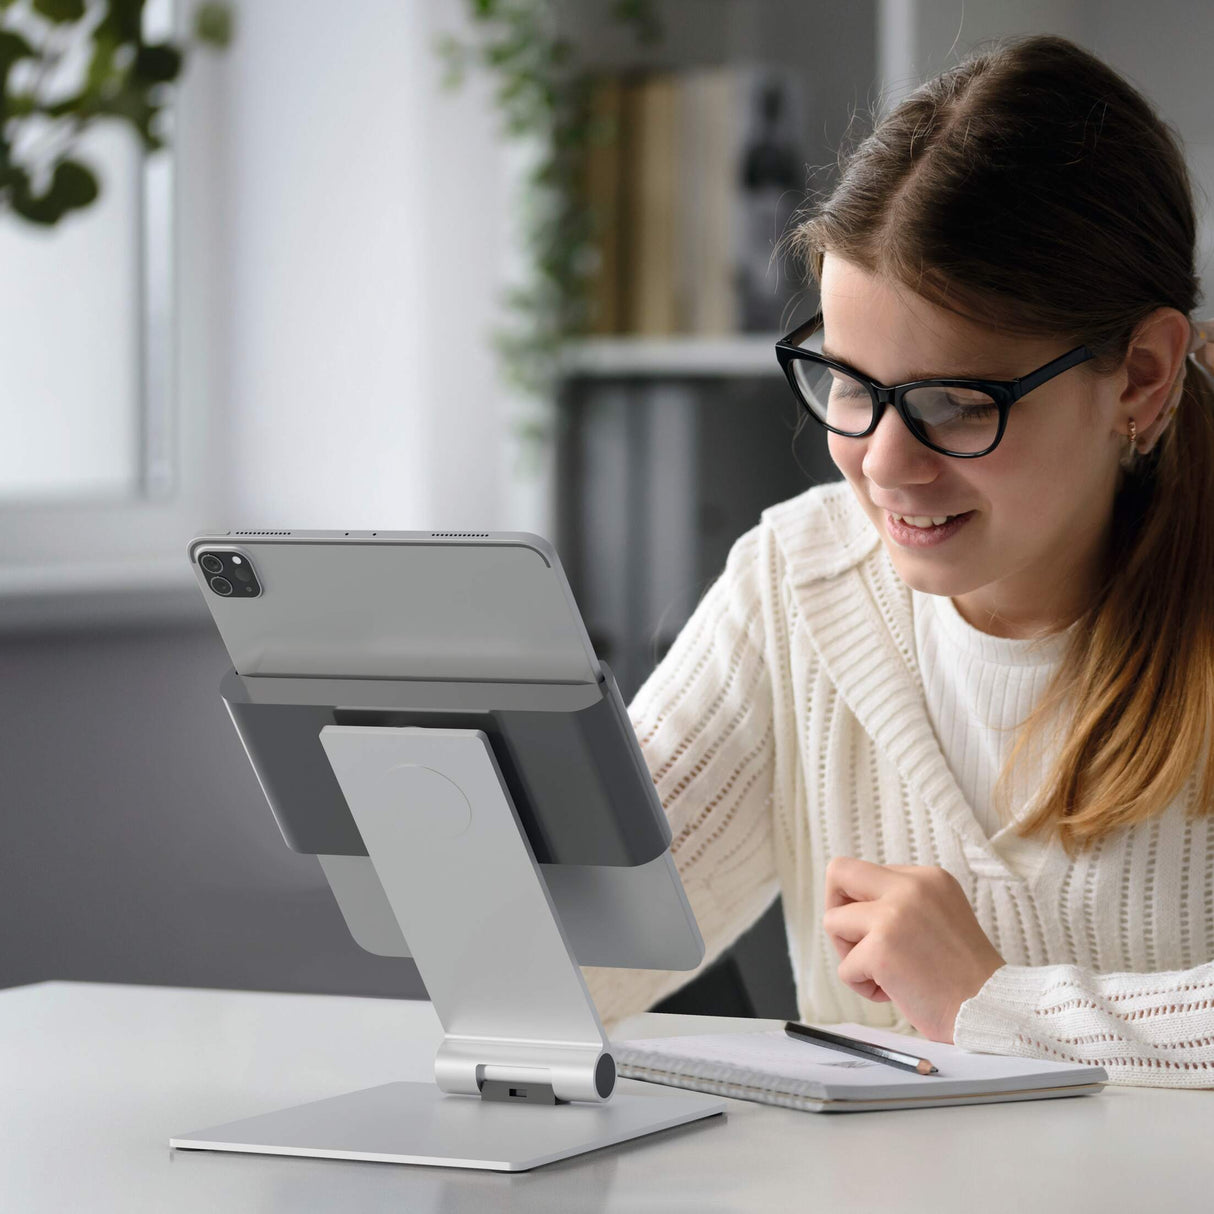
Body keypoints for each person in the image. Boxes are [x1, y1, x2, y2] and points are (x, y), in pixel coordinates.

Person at [580, 33, 1214, 1087]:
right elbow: (575, 959)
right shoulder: (796, 582)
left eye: (955, 402)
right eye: (847, 382)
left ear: (1140, 378)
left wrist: (987, 1004)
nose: (880, 463)